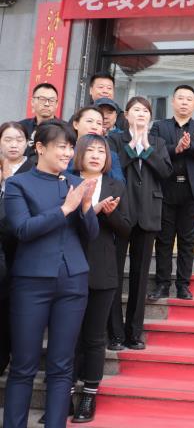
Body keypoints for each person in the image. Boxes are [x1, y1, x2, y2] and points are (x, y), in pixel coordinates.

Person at [2, 121, 99, 428]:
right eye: (62, 146)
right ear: (40, 148)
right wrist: (64, 210)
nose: (68, 152)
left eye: (71, 147)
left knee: (62, 366)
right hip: (31, 282)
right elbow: (22, 230)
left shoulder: (74, 182)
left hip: (73, 280)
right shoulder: (19, 185)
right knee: (24, 366)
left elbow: (91, 235)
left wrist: (84, 207)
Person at [68, 134, 131, 423]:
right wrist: (88, 211)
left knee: (94, 337)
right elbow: (60, 222)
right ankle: (64, 393)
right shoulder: (65, 181)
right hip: (67, 268)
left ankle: (89, 396)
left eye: (101, 151)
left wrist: (109, 214)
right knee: (67, 336)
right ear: (79, 153)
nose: (95, 155)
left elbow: (127, 227)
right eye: (90, 150)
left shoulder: (117, 185)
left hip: (102, 270)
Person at [107, 96, 172, 351]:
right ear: (126, 115)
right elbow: (114, 166)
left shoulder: (157, 142)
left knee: (140, 277)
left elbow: (165, 171)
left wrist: (145, 148)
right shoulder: (115, 140)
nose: (141, 114)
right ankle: (115, 333)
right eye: (136, 110)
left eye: (146, 110)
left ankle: (134, 333)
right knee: (114, 273)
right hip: (121, 212)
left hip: (148, 213)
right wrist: (133, 147)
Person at [148, 85, 194, 301]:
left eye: (189, 99)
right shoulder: (160, 126)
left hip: (191, 191)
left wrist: (190, 147)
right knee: (164, 241)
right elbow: (152, 149)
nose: (184, 102)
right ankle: (162, 285)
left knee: (187, 241)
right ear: (173, 102)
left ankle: (183, 286)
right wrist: (174, 149)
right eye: (180, 98)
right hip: (166, 190)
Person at [0, 122, 34, 377]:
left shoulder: (33, 170)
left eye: (18, 139)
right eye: (8, 139)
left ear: (27, 143)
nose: (13, 144)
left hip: (22, 251)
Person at [71, 106, 125, 183]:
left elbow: (120, 183)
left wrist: (102, 165)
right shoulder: (67, 151)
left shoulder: (110, 155)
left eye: (99, 123)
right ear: (76, 124)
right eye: (89, 121)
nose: (94, 127)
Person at [19, 82, 60, 157]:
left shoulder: (65, 129)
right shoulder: (20, 127)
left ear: (56, 104)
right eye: (42, 99)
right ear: (32, 102)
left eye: (51, 100)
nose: (47, 104)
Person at [0, 122, 34, 188]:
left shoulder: (35, 169)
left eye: (19, 140)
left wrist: (9, 181)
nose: (14, 145)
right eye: (8, 140)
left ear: (27, 143)